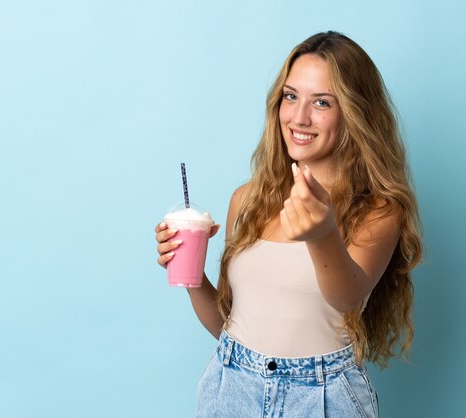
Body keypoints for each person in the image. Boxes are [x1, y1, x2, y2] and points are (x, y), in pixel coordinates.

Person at [155, 31, 422, 417]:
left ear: (354, 112)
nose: (299, 117)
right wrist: (190, 274)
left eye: (322, 103)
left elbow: (347, 298)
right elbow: (230, 325)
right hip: (232, 387)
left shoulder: (377, 211)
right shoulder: (245, 200)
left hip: (322, 398)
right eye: (291, 96)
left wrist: (322, 235)